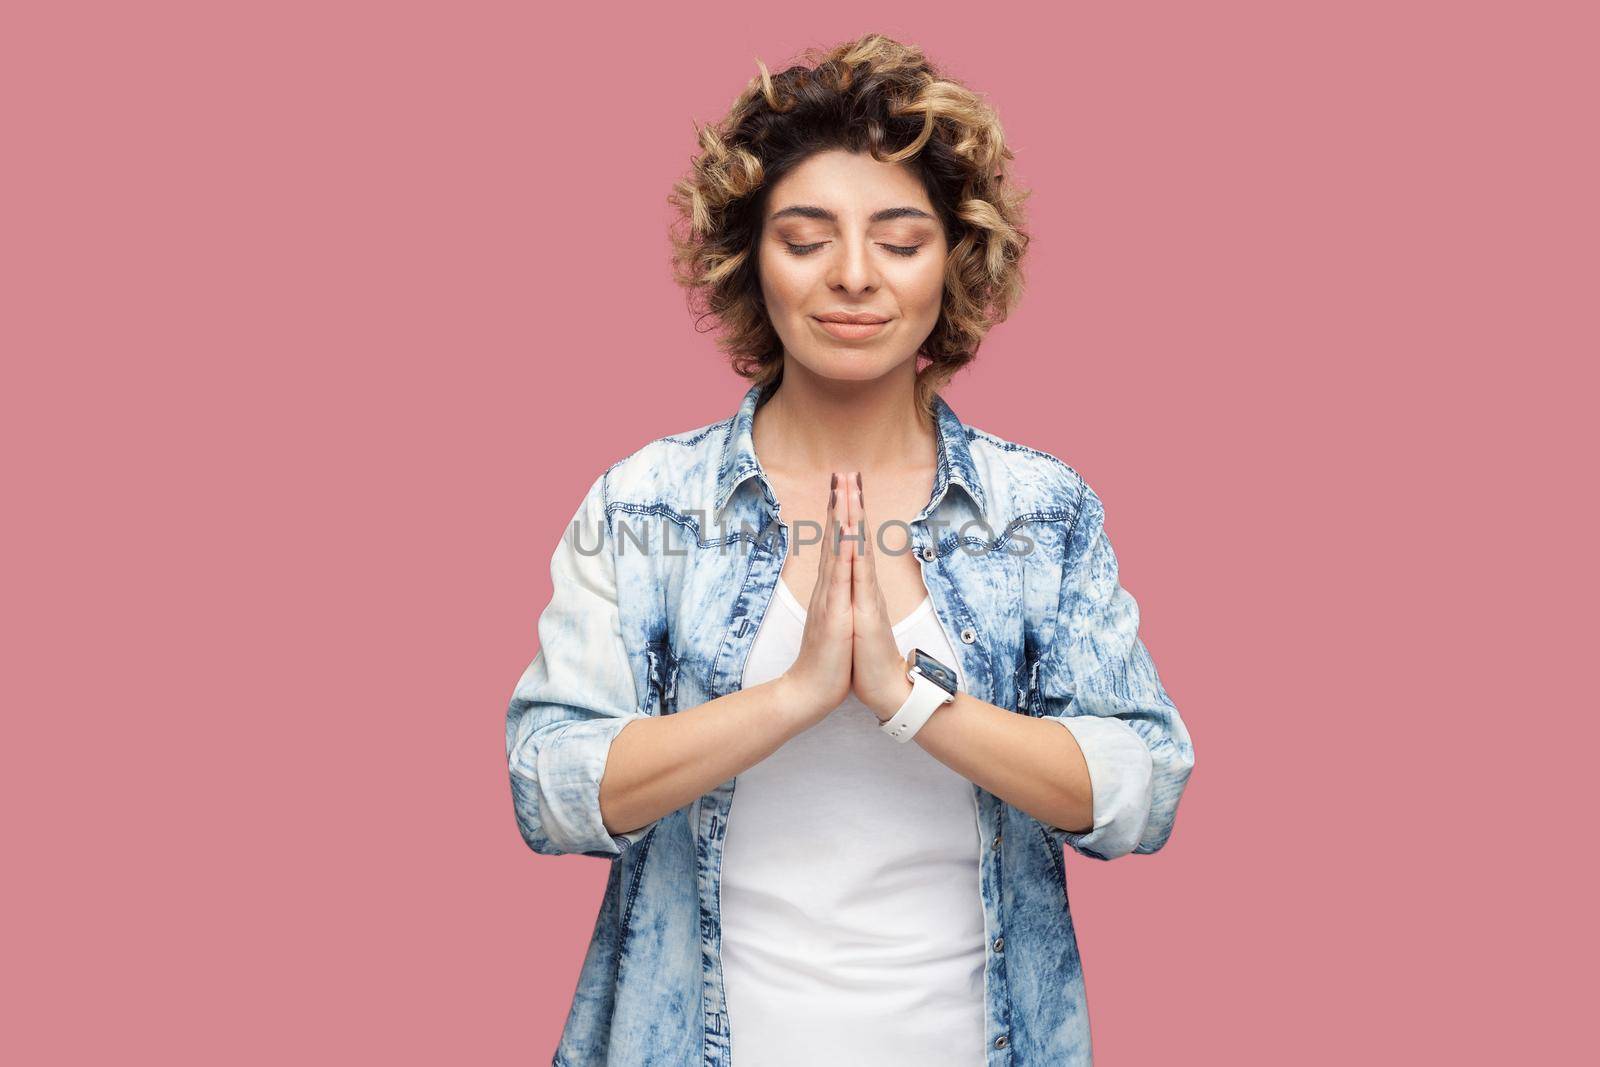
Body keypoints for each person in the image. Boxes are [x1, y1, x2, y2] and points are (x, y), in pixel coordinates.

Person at [505, 33, 1196, 1066]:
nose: (854, 276)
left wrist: (909, 699)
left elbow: (1140, 784)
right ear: (751, 260)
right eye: (806, 235)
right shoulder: (649, 502)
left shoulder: (1038, 510)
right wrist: (790, 695)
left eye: (900, 239)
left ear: (953, 262)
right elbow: (549, 783)